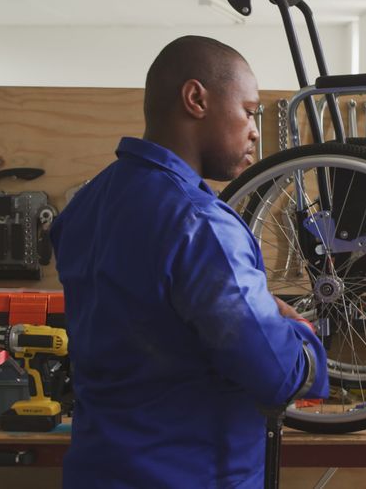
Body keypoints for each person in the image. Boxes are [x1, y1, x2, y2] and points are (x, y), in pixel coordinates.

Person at [50, 35, 328, 487]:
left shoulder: (87, 204)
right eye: (249, 112)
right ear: (196, 99)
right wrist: (299, 335)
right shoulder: (200, 224)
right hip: (192, 476)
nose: (255, 130)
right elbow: (277, 375)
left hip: (96, 471)